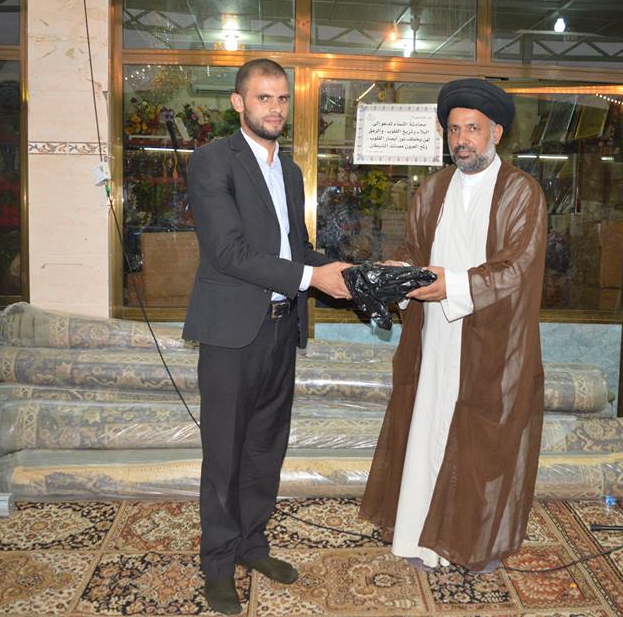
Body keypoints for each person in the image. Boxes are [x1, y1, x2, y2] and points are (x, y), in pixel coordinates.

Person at [183, 58, 351, 615]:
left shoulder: (292, 172)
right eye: (263, 98)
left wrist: (353, 273)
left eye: (282, 99)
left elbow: (296, 251)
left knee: (264, 450)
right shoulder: (213, 161)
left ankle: (252, 545)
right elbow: (228, 253)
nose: (275, 108)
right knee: (224, 455)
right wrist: (311, 278)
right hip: (232, 335)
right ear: (238, 102)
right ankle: (217, 564)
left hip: (281, 330)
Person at [359, 78, 547, 572]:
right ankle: (421, 539)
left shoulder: (521, 192)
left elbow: (519, 266)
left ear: (496, 133)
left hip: (494, 339)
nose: (462, 140)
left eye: (472, 129)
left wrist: (454, 284)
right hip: (435, 337)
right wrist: (400, 272)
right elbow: (414, 250)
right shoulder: (433, 188)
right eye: (454, 130)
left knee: (484, 444)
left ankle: (474, 545)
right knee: (427, 432)